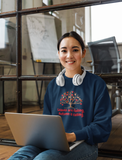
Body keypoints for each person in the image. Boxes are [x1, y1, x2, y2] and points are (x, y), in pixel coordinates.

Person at [8, 31, 112, 160]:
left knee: (43, 159)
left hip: (84, 143)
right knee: (18, 156)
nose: (69, 55)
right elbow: (47, 120)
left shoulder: (97, 84)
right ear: (58, 54)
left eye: (75, 50)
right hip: (52, 141)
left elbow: (103, 127)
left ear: (83, 53)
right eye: (64, 51)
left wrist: (72, 136)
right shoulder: (53, 85)